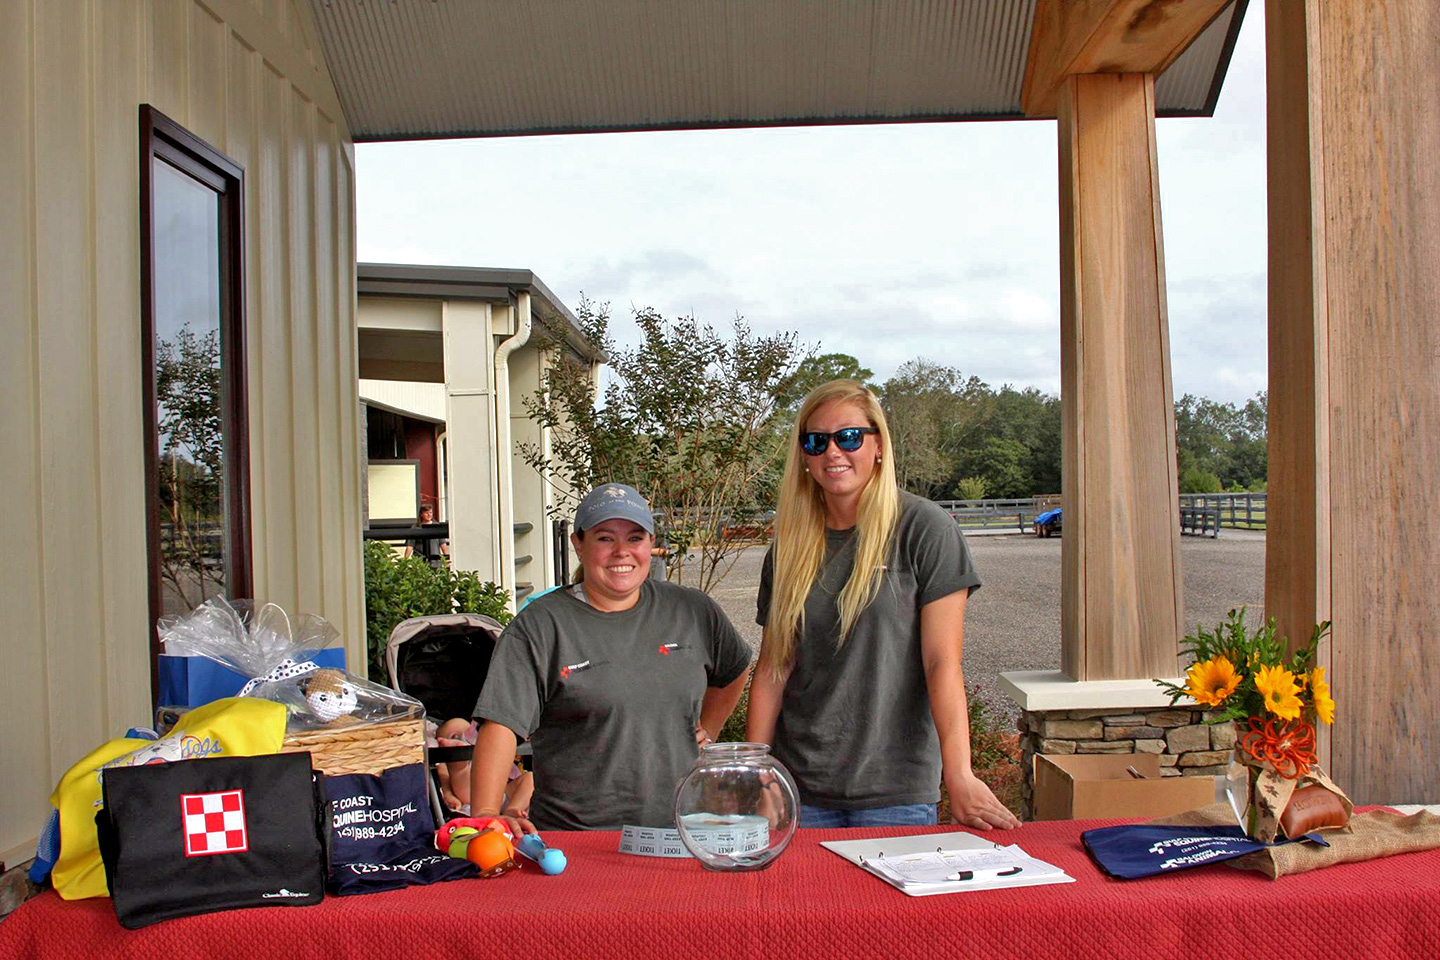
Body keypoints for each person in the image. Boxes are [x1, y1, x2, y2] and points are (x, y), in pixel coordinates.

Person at [747, 379, 1020, 831]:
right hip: (801, 788)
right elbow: (774, 668)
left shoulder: (924, 530)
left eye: (849, 436)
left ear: (878, 446)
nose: (833, 452)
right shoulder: (789, 547)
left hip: (895, 790)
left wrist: (959, 774)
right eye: (816, 441)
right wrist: (760, 776)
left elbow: (941, 664)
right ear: (804, 457)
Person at [469, 483, 753, 834]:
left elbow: (735, 669)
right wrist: (484, 813)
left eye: (635, 538)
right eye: (605, 538)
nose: (622, 552)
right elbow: (501, 724)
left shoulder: (692, 610)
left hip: (682, 831)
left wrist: (708, 729)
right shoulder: (541, 625)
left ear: (651, 544)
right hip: (578, 838)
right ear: (579, 544)